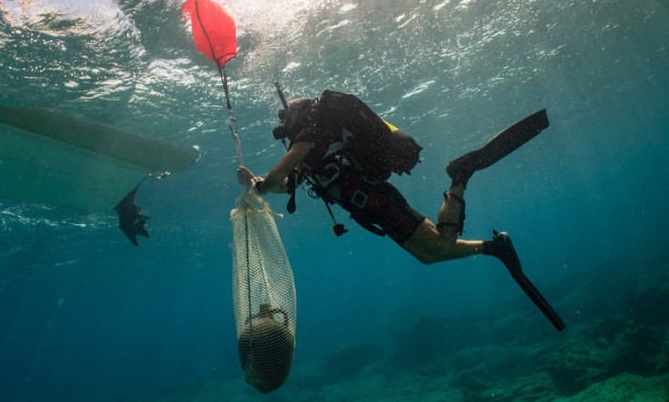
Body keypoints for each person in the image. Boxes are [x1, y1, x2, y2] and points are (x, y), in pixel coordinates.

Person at [237, 90, 565, 330]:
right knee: (428, 255)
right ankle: (493, 247)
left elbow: (277, 176)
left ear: (298, 114)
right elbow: (285, 184)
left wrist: (261, 185)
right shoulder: (311, 153)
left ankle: (461, 175)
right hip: (373, 210)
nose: (283, 125)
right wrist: (256, 182)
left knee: (441, 245)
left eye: (284, 118)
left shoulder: (310, 136)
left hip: (380, 202)